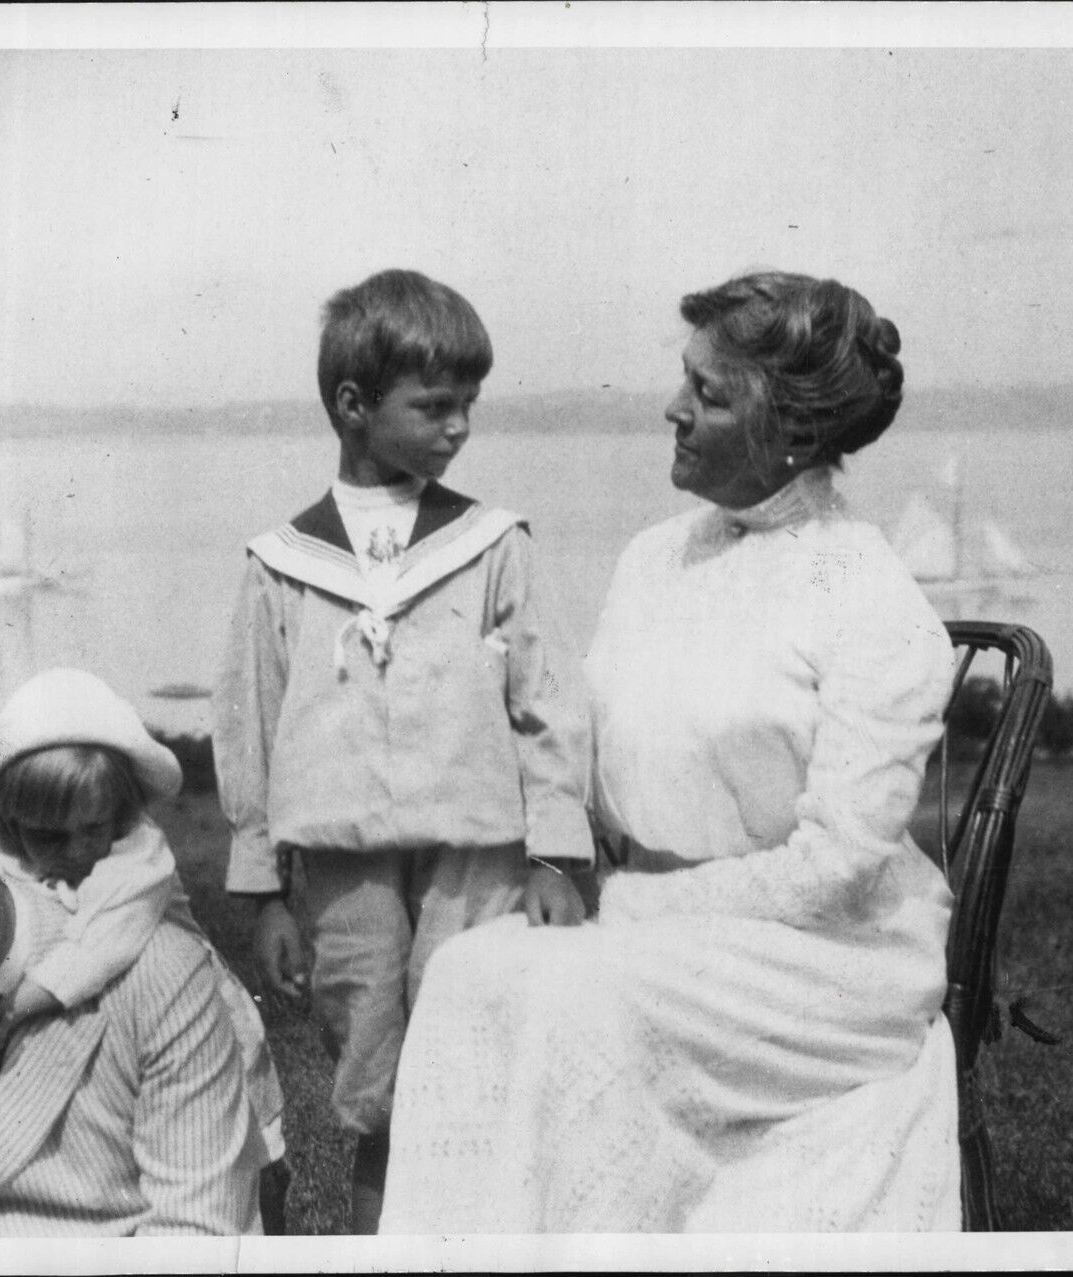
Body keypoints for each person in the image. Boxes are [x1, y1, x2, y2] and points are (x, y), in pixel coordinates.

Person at [379, 271, 962, 1233]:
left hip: (825, 960)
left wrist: (636, 903)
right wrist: (573, 859)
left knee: (573, 999)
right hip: (655, 923)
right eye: (686, 379)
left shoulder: (869, 597)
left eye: (711, 394)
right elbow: (589, 742)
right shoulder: (656, 556)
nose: (673, 408)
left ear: (800, 437)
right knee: (470, 972)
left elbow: (838, 868)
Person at [213, 268, 595, 1232]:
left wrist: (555, 852)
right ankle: (381, 1245)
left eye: (468, 404)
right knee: (376, 1078)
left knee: (474, 1054)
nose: (459, 426)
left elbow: (547, 703)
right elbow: (248, 727)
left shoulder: (491, 542)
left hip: (477, 851)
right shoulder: (281, 563)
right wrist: (262, 891)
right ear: (353, 406)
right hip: (345, 865)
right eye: (434, 405)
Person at [0, 667, 290, 1233]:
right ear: (5, 820)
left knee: (241, 1181)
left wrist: (7, 1011)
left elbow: (100, 950)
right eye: (48, 836)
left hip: (190, 1024)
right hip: (97, 1044)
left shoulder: (137, 859)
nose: (77, 851)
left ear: (120, 809)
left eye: (93, 827)